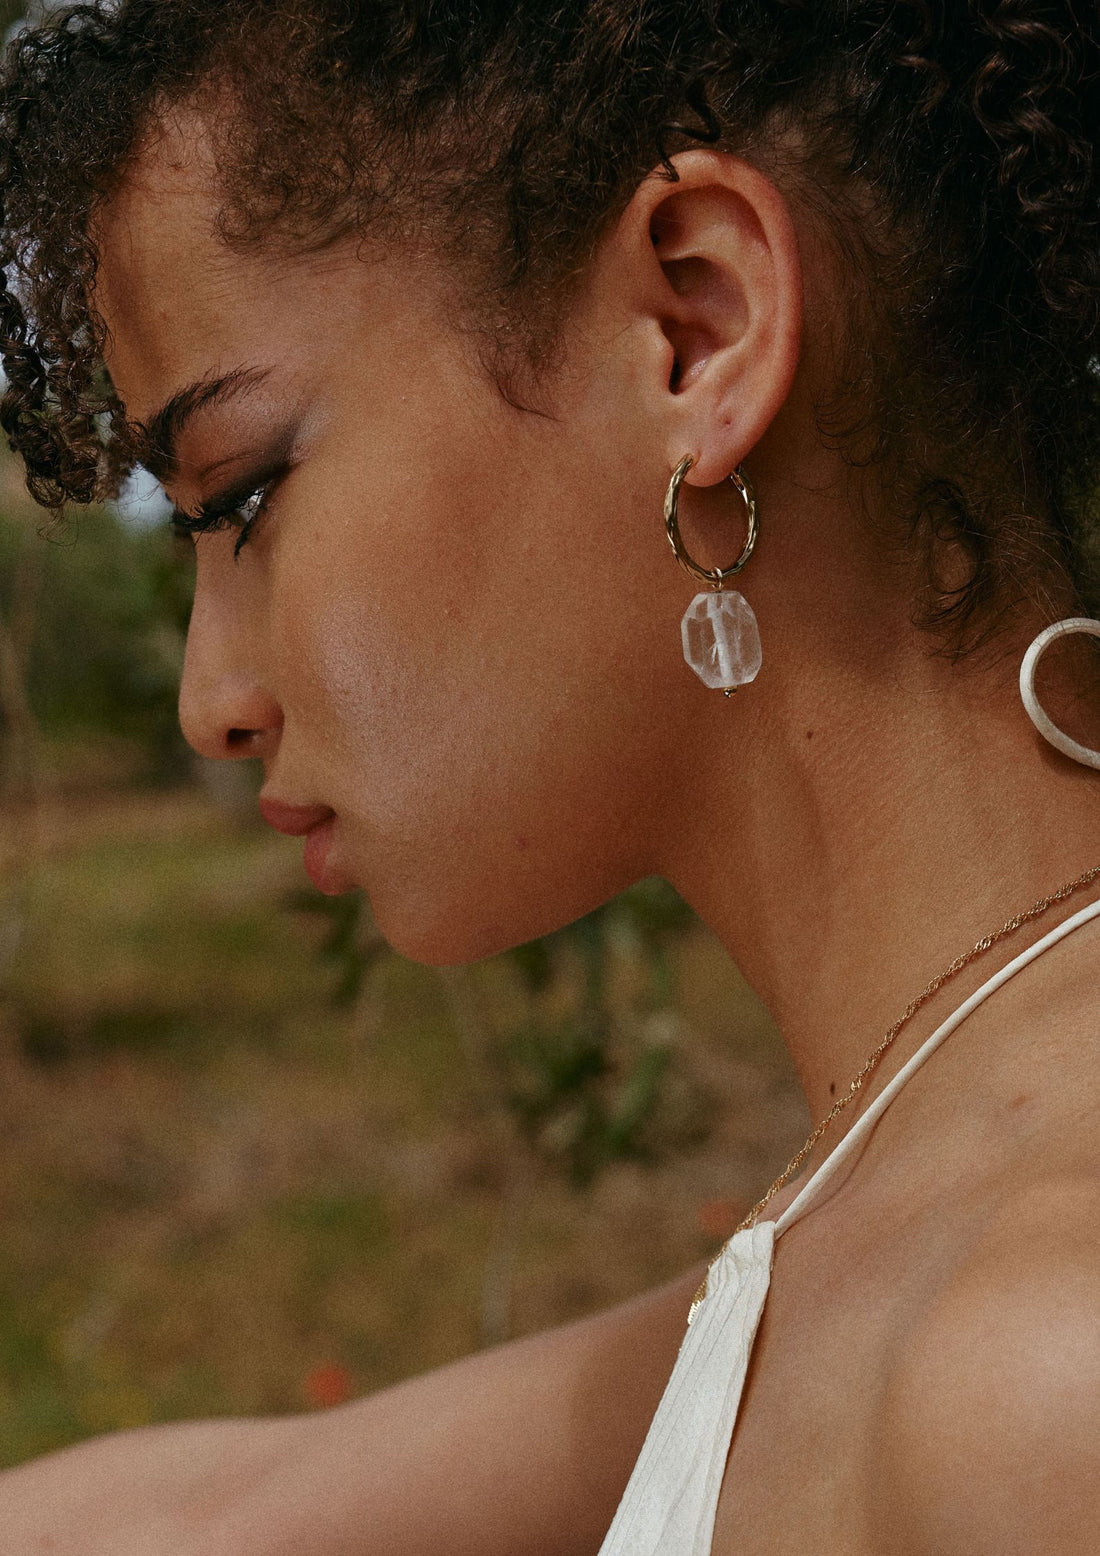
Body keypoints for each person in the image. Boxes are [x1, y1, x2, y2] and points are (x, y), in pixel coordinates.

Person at [1, 1, 1099, 1551]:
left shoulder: (1041, 1369)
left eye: (240, 499)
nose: (210, 702)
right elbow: (217, 1515)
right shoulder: (893, 1226)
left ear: (696, 333)